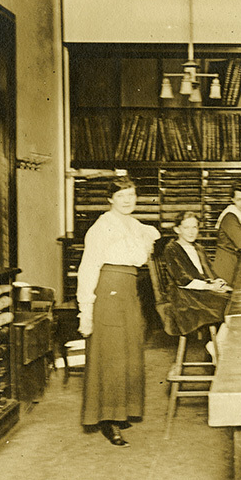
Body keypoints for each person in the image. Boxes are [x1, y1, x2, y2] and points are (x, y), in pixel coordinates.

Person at [76, 175, 159, 447]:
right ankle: (108, 420)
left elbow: (143, 246)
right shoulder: (102, 227)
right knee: (111, 355)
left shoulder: (133, 224)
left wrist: (149, 235)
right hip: (109, 290)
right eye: (122, 196)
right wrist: (85, 309)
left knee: (129, 350)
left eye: (132, 196)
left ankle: (122, 409)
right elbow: (88, 268)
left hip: (129, 289)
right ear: (110, 198)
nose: (127, 201)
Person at [162, 210, 232, 335]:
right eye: (186, 227)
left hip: (200, 292)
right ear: (177, 229)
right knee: (229, 306)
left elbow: (209, 273)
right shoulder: (171, 249)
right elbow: (182, 280)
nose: (191, 231)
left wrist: (218, 283)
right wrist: (210, 286)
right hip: (184, 297)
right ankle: (217, 345)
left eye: (194, 227)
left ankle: (217, 344)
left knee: (233, 297)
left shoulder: (199, 248)